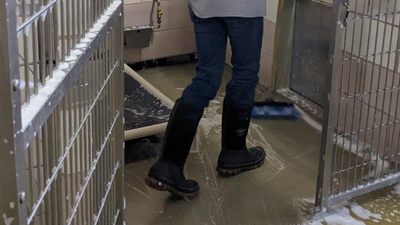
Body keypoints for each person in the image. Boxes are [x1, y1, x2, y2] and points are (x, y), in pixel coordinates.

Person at [145, 0, 267, 198]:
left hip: (204, 6)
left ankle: (168, 166)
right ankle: (234, 153)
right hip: (243, 7)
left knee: (205, 79)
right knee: (244, 75)